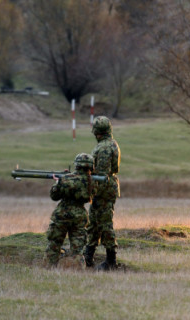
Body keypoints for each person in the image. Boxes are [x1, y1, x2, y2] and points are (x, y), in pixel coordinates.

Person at [83, 116, 121, 271]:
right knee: (94, 224)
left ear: (98, 132)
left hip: (103, 190)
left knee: (104, 224)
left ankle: (111, 261)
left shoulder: (104, 147)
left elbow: (102, 174)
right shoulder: (109, 143)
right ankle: (88, 257)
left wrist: (88, 185)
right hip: (103, 189)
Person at [44, 153, 94, 268]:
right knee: (78, 249)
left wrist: (58, 182)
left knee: (54, 244)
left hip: (62, 215)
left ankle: (48, 269)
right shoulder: (92, 181)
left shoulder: (65, 179)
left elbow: (54, 196)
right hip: (79, 216)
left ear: (76, 165)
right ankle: (78, 271)